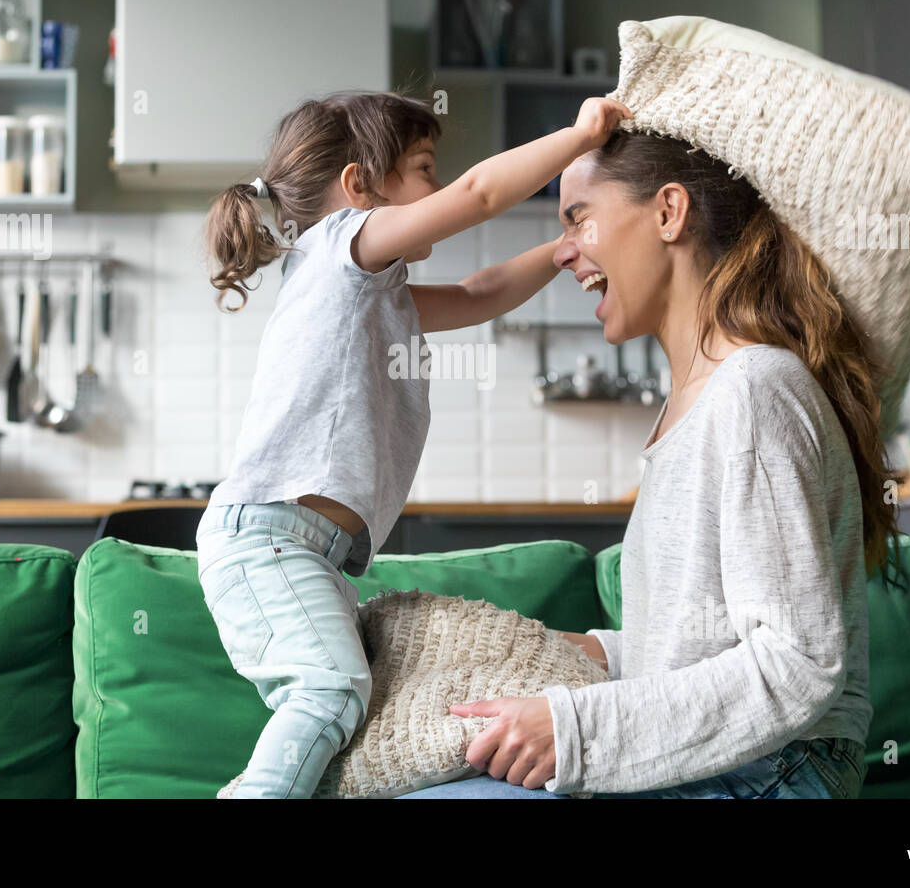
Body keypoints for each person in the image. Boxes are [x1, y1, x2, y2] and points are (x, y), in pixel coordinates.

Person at [399, 129, 902, 799]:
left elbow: (797, 664)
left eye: (579, 217)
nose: (566, 252)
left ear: (670, 212)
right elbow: (699, 648)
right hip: (737, 759)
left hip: (778, 770)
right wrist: (582, 655)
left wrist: (574, 727)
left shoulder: (754, 390)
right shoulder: (697, 403)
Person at [198, 90, 632, 798]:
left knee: (338, 709)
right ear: (358, 185)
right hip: (270, 541)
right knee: (330, 694)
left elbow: (479, 291)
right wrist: (578, 136)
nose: (438, 184)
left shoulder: (373, 290)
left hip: (300, 548)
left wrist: (563, 249)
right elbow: (481, 192)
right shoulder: (342, 248)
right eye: (424, 167)